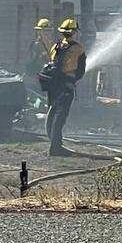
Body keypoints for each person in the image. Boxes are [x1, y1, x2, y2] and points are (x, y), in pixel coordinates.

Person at [45, 18, 86, 157]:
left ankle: (55, 143)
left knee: (52, 112)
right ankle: (55, 147)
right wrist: (73, 80)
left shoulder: (55, 46)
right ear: (74, 32)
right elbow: (81, 71)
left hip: (53, 85)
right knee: (60, 115)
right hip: (66, 85)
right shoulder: (78, 49)